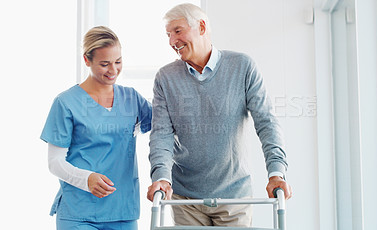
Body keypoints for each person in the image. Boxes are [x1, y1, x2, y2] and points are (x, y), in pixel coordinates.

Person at [147, 3, 293, 227]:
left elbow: (267, 123)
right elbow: (161, 135)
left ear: (202, 27)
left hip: (234, 196)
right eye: (168, 34)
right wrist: (161, 178)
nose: (171, 41)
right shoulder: (166, 78)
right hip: (185, 199)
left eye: (177, 31)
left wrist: (277, 172)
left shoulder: (242, 66)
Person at [40, 26, 152, 230]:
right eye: (104, 64)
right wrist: (87, 179)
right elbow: (54, 162)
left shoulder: (132, 98)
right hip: (79, 212)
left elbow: (166, 126)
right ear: (86, 60)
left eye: (118, 62)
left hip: (122, 211)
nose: (113, 70)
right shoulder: (65, 103)